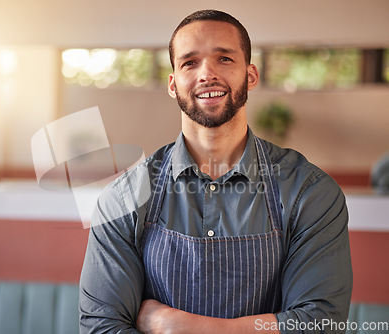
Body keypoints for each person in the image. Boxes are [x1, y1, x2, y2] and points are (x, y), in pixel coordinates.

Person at [79, 9, 352, 334]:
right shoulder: (124, 198)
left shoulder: (309, 191)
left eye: (224, 58)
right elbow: (102, 327)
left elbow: (319, 323)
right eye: (189, 62)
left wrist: (179, 326)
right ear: (173, 83)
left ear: (250, 75)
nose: (206, 74)